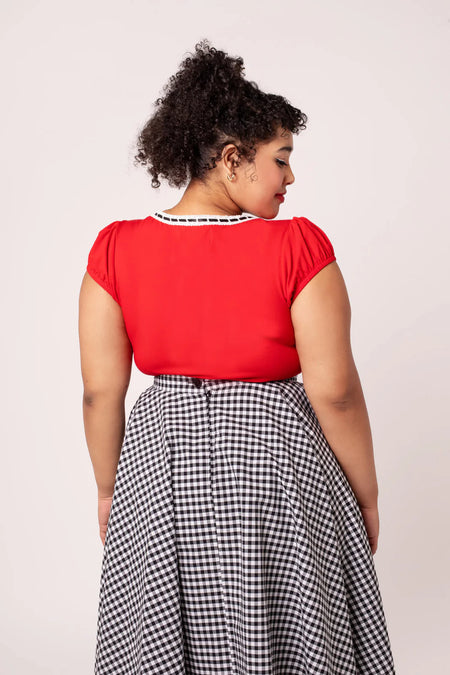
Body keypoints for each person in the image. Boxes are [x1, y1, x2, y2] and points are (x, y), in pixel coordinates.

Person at [79, 39, 396, 674]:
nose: (290, 178)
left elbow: (99, 394)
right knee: (291, 631)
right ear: (232, 160)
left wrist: (111, 490)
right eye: (281, 160)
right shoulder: (298, 247)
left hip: (157, 464)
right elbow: (335, 391)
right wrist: (364, 495)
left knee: (166, 633)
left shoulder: (114, 249)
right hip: (277, 459)